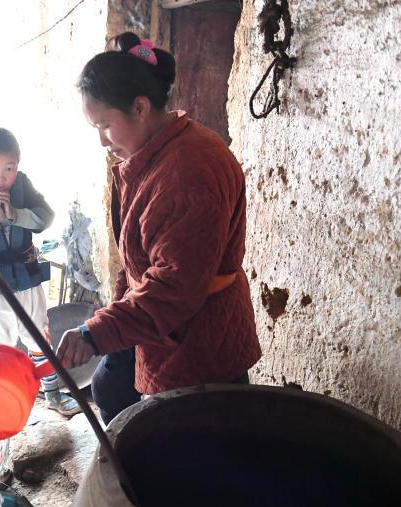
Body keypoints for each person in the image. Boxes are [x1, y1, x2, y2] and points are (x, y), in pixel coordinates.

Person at [56, 32, 262, 424]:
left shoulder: (187, 172)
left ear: (140, 107)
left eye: (105, 125)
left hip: (196, 340)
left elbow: (173, 288)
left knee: (201, 440)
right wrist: (111, 318)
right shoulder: (157, 154)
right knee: (111, 386)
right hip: (162, 319)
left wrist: (95, 332)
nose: (101, 141)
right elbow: (138, 258)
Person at [0, 126, 82, 417]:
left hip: (27, 277)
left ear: (18, 166)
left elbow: (46, 217)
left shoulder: (21, 185)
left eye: (9, 168)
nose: (1, 177)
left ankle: (52, 393)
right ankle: (5, 401)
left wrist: (16, 215)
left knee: (39, 337)